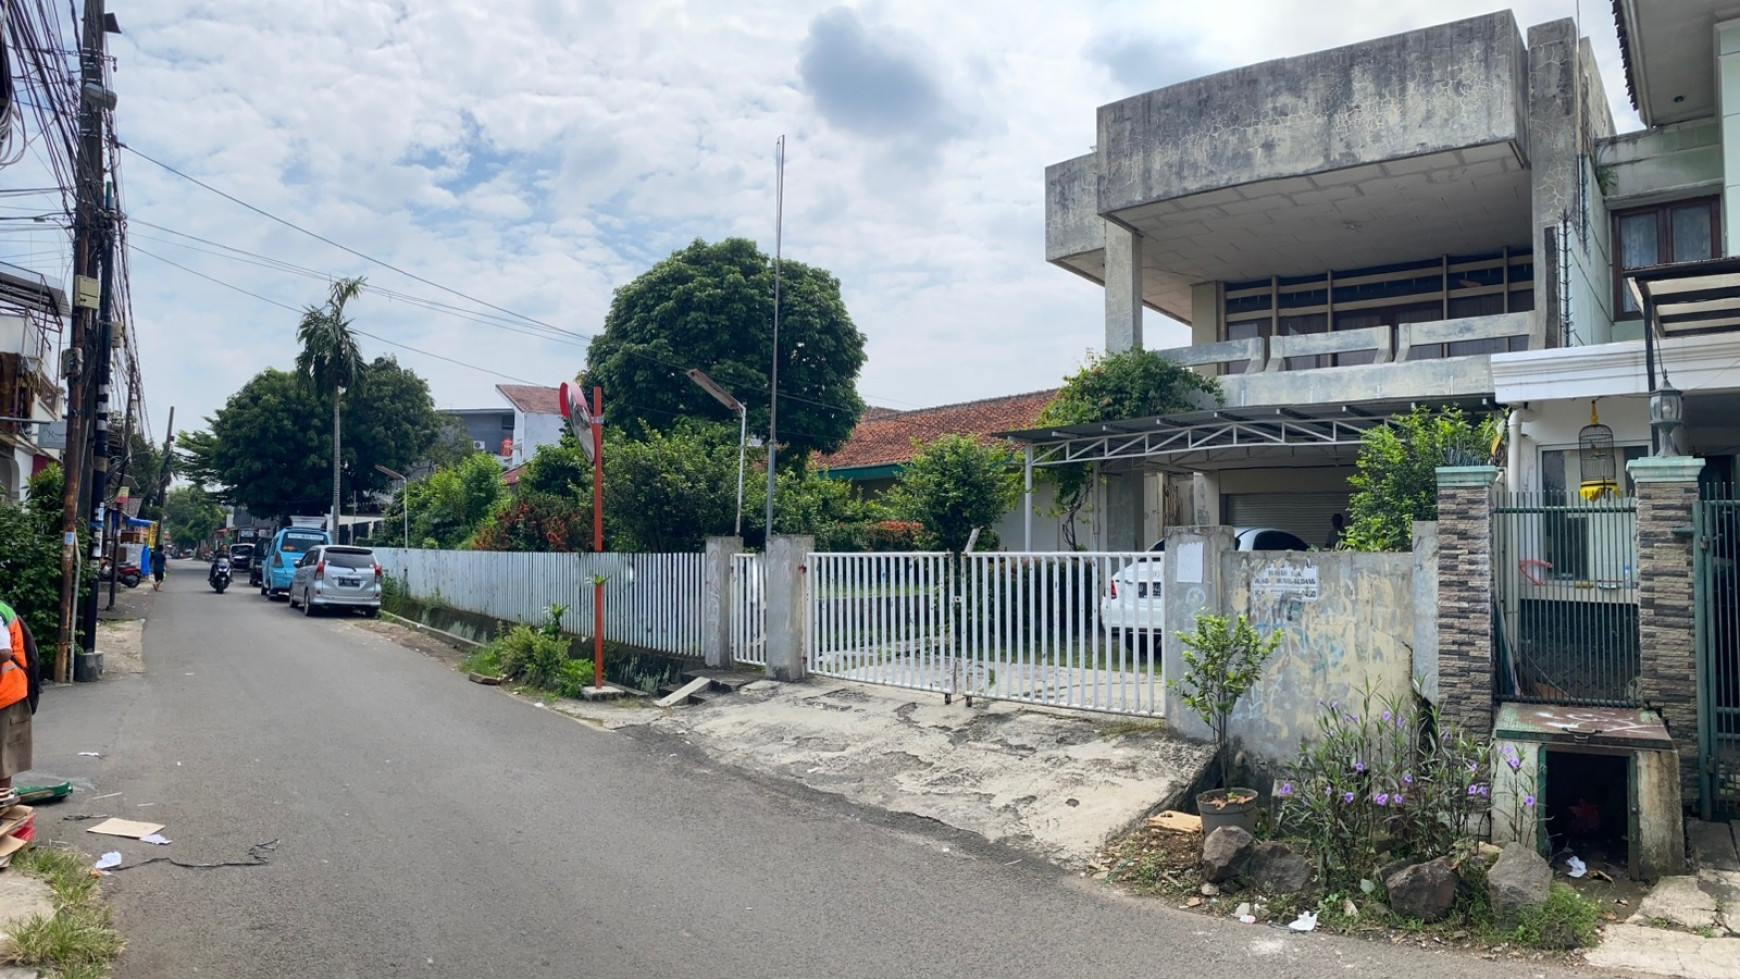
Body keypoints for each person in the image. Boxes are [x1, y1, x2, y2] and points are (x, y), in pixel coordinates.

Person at [0, 600, 41, 813]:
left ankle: (1, 808)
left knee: (3, 756)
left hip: (6, 693)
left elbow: (3, 652)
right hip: (8, 690)